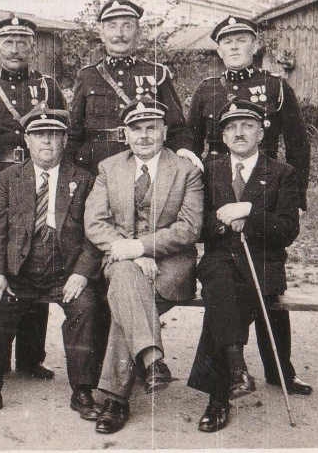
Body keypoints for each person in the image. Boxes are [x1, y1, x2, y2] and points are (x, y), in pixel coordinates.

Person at [187, 15, 312, 395]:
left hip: (266, 182)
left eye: (241, 39)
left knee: (266, 283)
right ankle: (235, 372)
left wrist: (296, 200)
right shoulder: (207, 89)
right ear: (218, 49)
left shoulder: (276, 86)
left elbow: (298, 143)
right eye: (227, 41)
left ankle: (278, 370)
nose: (234, 46)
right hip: (221, 181)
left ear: (255, 45)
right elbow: (191, 144)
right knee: (230, 277)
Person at [0, 110, 103, 422]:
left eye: (54, 134)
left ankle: (83, 390)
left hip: (65, 273)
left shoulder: (83, 179)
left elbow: (96, 233)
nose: (47, 141)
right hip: (19, 273)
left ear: (65, 139)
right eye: (39, 134)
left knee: (87, 308)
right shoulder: (10, 178)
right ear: (27, 139)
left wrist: (81, 273)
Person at [84, 99, 204, 434]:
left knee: (125, 298)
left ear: (164, 131)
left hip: (170, 266)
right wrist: (133, 254)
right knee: (126, 277)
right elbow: (95, 222)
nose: (144, 135)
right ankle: (150, 363)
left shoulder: (186, 170)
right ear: (125, 134)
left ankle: (117, 398)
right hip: (123, 261)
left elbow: (189, 228)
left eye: (152, 127)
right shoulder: (109, 168)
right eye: (136, 129)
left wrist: (141, 246)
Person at [0, 15, 68, 380]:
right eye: (8, 42)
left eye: (23, 42)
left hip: (40, 175)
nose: (16, 49)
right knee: (6, 255)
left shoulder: (49, 85)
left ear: (32, 47)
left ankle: (30, 358)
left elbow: (62, 134)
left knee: (37, 250)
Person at [187, 100, 300, 432]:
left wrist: (249, 214)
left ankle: (219, 396)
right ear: (223, 137)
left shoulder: (282, 173)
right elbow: (195, 225)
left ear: (261, 133)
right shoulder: (208, 171)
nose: (239, 133)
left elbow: (288, 230)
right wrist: (223, 221)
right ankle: (236, 371)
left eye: (247, 125)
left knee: (224, 298)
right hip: (219, 260)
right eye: (231, 127)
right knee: (222, 281)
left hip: (262, 264)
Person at [67, 0, 202, 174]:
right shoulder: (87, 76)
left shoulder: (157, 74)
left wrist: (183, 150)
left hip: (145, 163)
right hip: (96, 166)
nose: (119, 34)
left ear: (138, 33)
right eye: (112, 26)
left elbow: (176, 127)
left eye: (127, 26)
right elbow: (74, 133)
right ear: (102, 34)